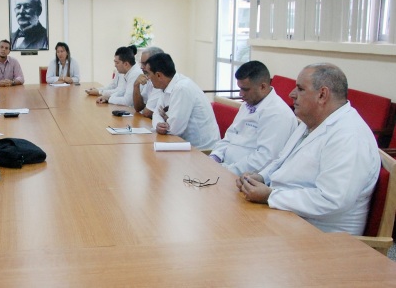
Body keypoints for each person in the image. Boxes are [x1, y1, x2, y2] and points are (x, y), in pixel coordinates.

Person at [237, 63, 380, 235]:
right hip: (288, 218)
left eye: (300, 89)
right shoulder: (310, 122)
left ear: (322, 95)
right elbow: (281, 162)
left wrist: (270, 196)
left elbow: (331, 200)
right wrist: (259, 178)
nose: (292, 94)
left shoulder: (349, 136)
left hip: (322, 237)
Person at [209, 61, 297, 175]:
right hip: (226, 169)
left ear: (263, 87)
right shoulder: (248, 104)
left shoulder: (278, 114)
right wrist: (215, 157)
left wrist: (227, 171)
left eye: (245, 89)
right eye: (239, 88)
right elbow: (230, 136)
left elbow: (264, 159)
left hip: (247, 178)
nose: (241, 94)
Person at [146, 53, 220, 150]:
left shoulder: (182, 88)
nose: (147, 78)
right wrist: (158, 125)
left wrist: (165, 124)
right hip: (182, 143)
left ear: (159, 75)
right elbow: (157, 113)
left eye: (148, 74)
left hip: (202, 149)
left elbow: (174, 129)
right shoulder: (165, 86)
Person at [132, 46, 164, 117]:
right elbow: (138, 107)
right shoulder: (149, 78)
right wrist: (136, 85)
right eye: (141, 63)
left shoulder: (161, 80)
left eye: (145, 64)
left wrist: (144, 110)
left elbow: (147, 113)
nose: (141, 67)